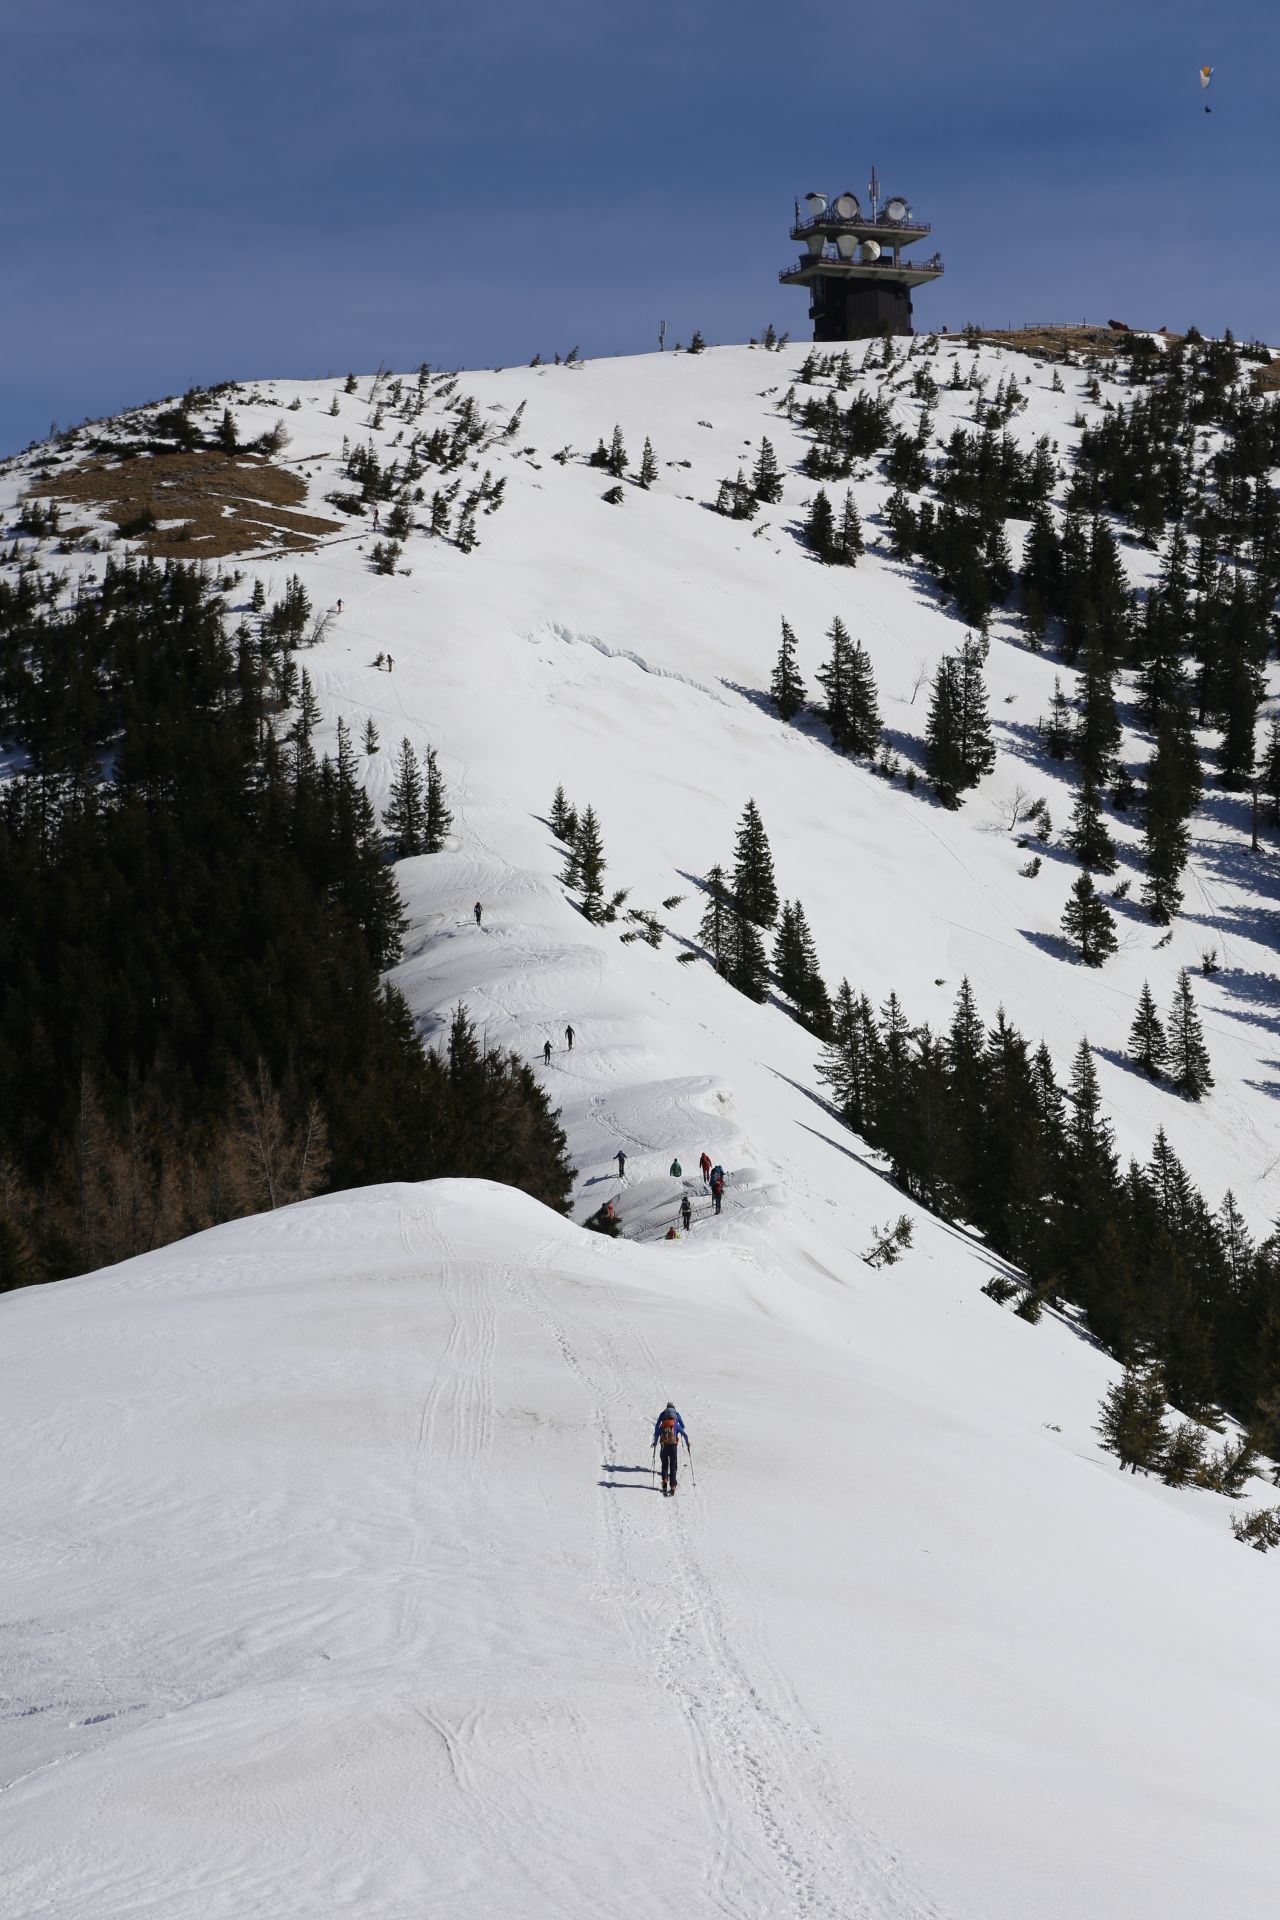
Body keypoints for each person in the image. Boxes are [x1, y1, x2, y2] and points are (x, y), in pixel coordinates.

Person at [652, 1402, 688, 1496]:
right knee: (672, 1466)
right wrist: (687, 1442)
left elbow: (657, 1430)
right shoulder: (676, 1418)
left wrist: (655, 1442)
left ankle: (664, 1482)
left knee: (664, 1465)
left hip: (664, 1445)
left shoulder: (662, 1422)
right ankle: (672, 1487)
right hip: (673, 1445)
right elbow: (684, 1431)